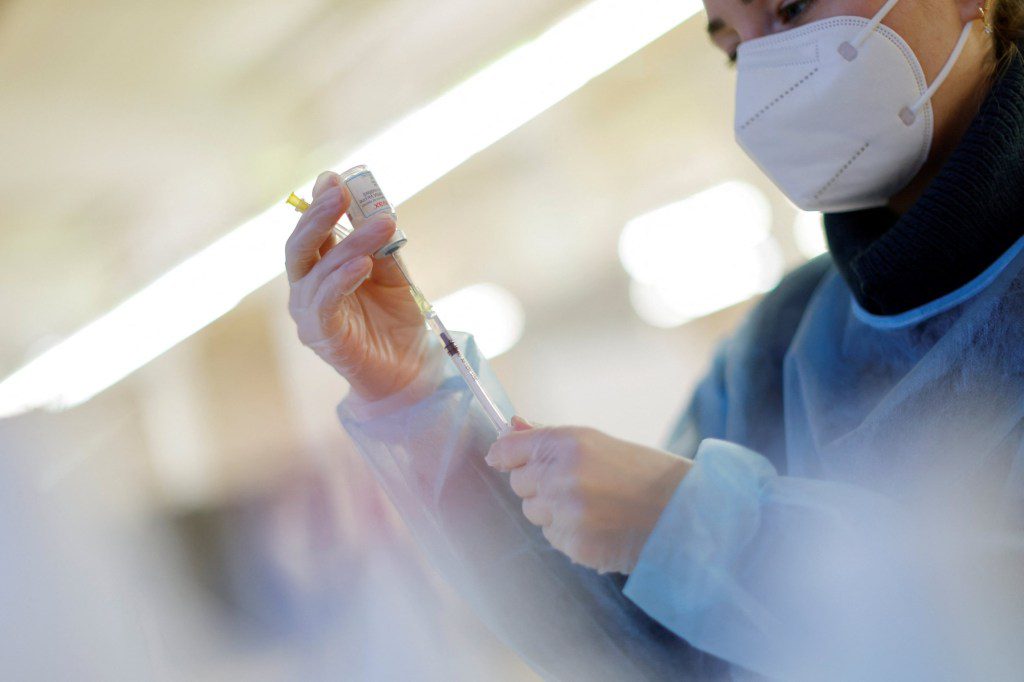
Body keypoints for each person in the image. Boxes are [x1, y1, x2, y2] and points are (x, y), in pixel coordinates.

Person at [285, 0, 1024, 678]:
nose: (767, 78)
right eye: (735, 48)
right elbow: (645, 651)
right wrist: (414, 389)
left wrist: (704, 529)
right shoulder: (780, 347)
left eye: (791, 7)